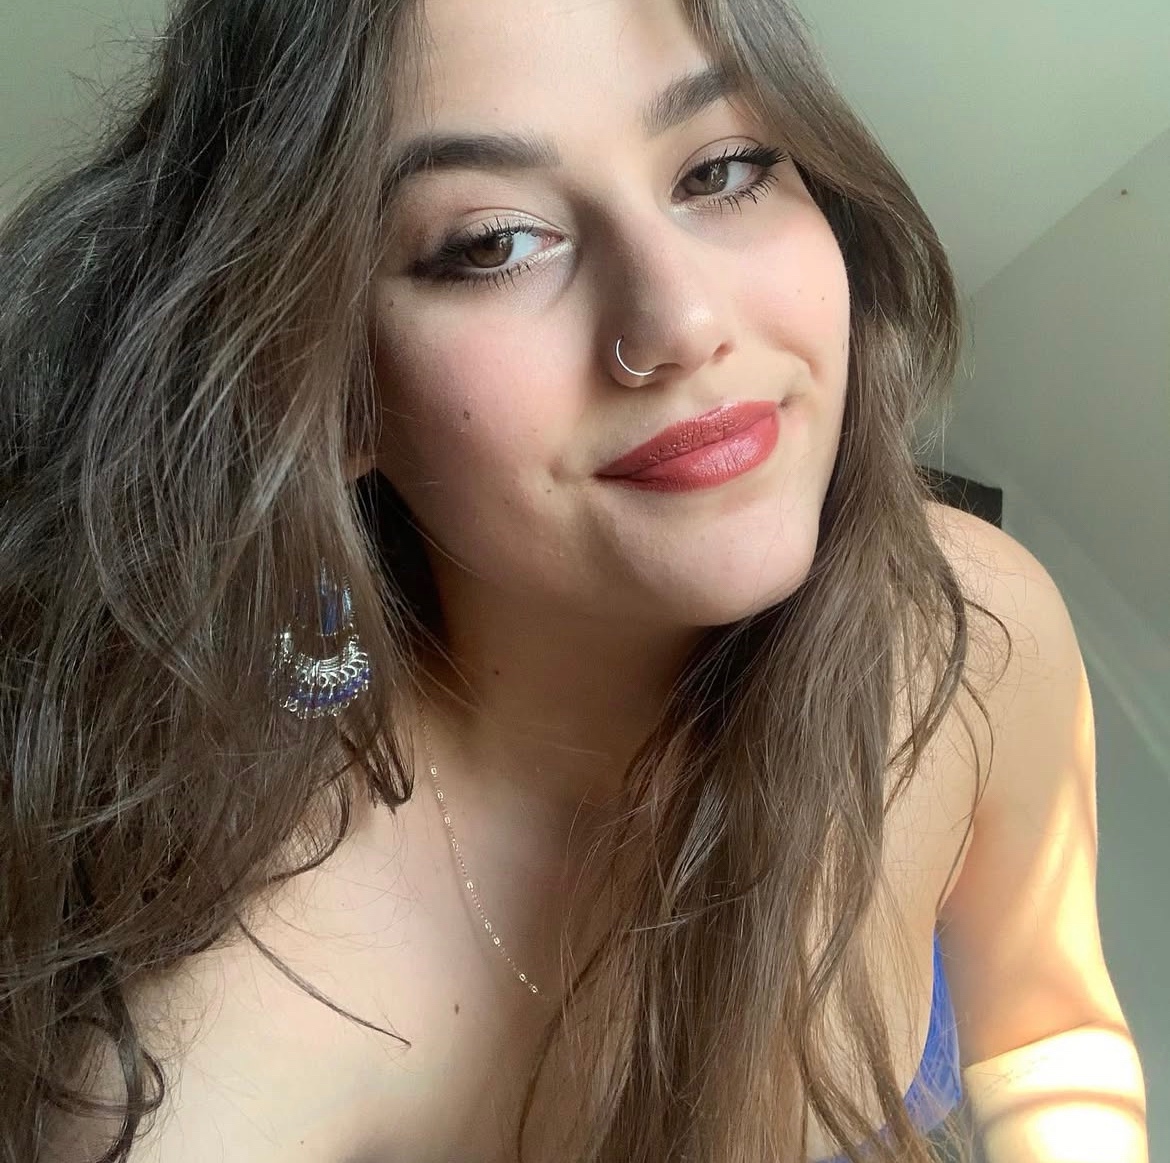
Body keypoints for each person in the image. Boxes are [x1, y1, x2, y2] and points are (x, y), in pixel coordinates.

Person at [0, 0, 1145, 1161]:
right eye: (493, 243)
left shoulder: (969, 625)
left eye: (724, 168)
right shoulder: (202, 1049)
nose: (683, 320)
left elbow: (1053, 1032)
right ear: (329, 386)